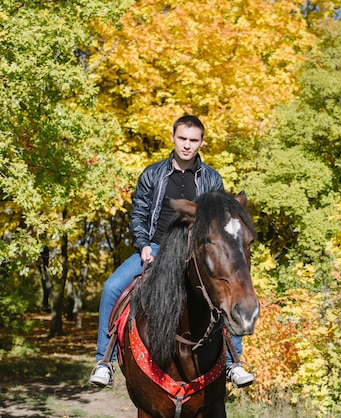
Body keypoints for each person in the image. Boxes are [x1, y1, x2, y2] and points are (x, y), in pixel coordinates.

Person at [89, 115, 255, 389]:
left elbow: (220, 223)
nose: (187, 145)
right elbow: (139, 215)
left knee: (228, 288)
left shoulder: (212, 179)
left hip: (195, 250)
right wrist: (143, 245)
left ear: (201, 142)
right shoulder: (152, 174)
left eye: (193, 140)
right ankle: (103, 362)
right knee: (111, 288)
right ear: (173, 138)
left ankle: (232, 363)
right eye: (182, 139)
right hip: (154, 247)